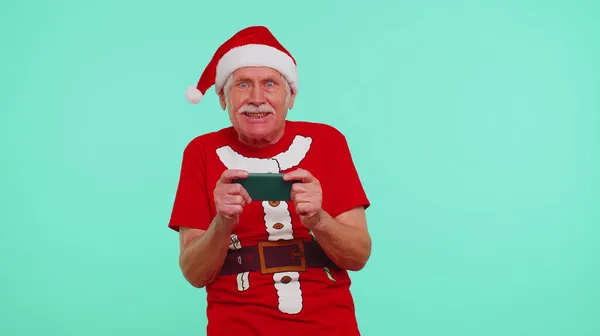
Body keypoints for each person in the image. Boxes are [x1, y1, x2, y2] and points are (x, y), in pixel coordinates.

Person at [168, 25, 372, 335]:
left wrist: (318, 218)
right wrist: (222, 222)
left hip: (328, 324)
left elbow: (358, 256)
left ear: (290, 96)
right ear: (222, 97)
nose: (257, 98)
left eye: (270, 84)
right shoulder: (202, 152)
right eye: (243, 85)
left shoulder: (328, 142)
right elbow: (194, 273)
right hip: (235, 324)